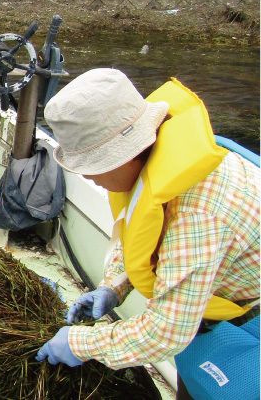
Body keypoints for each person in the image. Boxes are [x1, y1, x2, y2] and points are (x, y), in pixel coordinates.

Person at [34, 68, 259, 399]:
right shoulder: (154, 160)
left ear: (119, 156)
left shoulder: (197, 216)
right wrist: (113, 286)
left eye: (90, 166)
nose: (88, 176)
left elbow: (166, 333)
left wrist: (80, 343)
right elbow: (144, 232)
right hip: (210, 313)